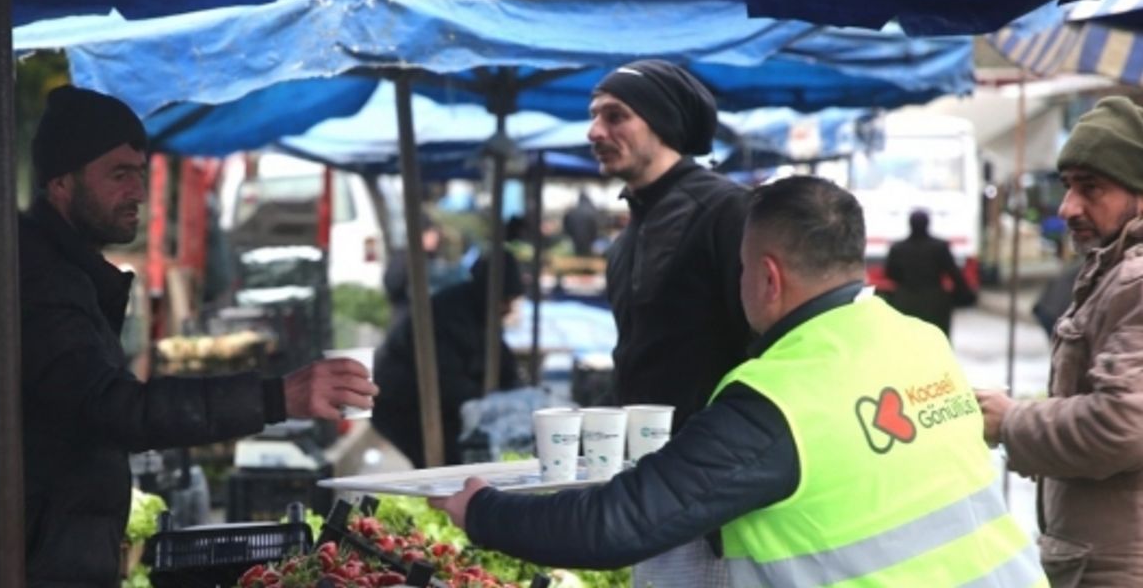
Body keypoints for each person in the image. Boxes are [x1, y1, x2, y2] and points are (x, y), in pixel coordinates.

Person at [0, 86, 378, 587]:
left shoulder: (50, 263)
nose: (138, 192)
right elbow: (114, 409)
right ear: (61, 182)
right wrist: (278, 396)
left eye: (139, 173)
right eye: (118, 174)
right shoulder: (31, 278)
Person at [432, 176, 1045, 587]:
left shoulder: (778, 399)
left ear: (768, 277)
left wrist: (482, 509)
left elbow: (619, 523)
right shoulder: (918, 338)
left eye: (743, 268)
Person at [589, 59, 753, 585]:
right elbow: (644, 358)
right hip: (654, 492)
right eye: (594, 116)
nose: (595, 132)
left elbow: (768, 350)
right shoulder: (627, 238)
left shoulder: (727, 211)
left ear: (662, 123)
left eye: (616, 116)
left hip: (721, 502)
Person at [976, 96, 1143, 586]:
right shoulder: (1111, 270)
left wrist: (1012, 420)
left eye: (1091, 189)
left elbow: (1123, 423)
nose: (1069, 207)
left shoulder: (1136, 281)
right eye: (1068, 187)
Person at [372, 251, 523, 468]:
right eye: (505, 300)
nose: (508, 308)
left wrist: (517, 392)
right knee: (446, 465)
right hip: (402, 404)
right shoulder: (449, 315)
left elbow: (502, 361)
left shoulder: (481, 313)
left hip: (436, 403)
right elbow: (446, 380)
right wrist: (492, 402)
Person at [883, 209, 973, 337]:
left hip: (905, 300)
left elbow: (890, 273)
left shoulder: (898, 248)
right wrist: (964, 295)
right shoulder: (940, 246)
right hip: (935, 302)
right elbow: (954, 273)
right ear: (928, 224)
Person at [383, 214, 463, 327]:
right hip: (408, 320)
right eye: (431, 233)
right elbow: (392, 285)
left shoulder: (434, 259)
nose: (435, 238)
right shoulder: (403, 258)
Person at [562, 190, 599, 257]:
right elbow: (595, 228)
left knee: (577, 255)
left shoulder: (573, 212)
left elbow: (567, 226)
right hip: (588, 241)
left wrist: (570, 235)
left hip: (576, 241)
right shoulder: (592, 210)